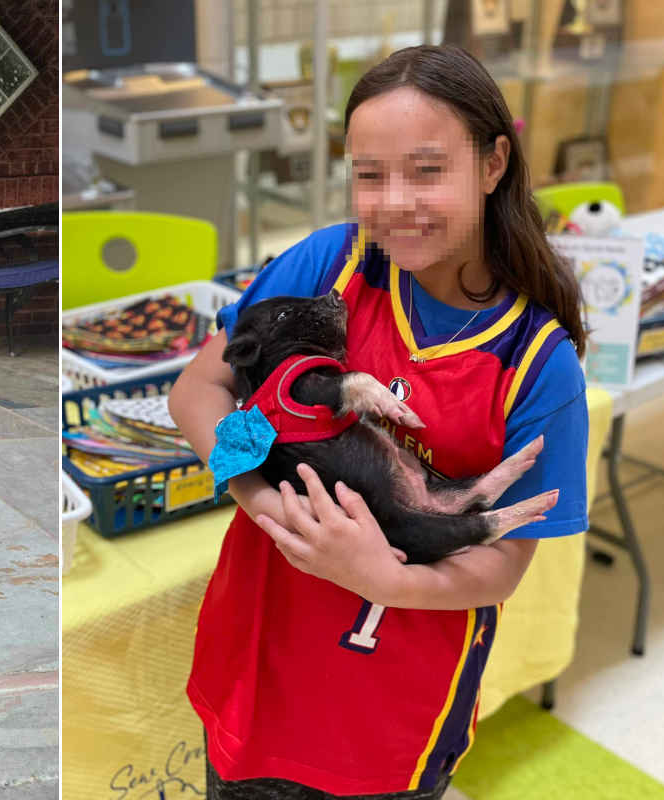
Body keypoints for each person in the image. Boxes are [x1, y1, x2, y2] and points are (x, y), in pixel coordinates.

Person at [167, 44, 589, 800]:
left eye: (427, 171)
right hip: (257, 664)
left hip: (395, 710)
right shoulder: (326, 264)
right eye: (369, 174)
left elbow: (503, 564)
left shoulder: (537, 361)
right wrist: (257, 495)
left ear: (493, 165)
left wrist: (381, 578)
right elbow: (200, 389)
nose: (395, 201)